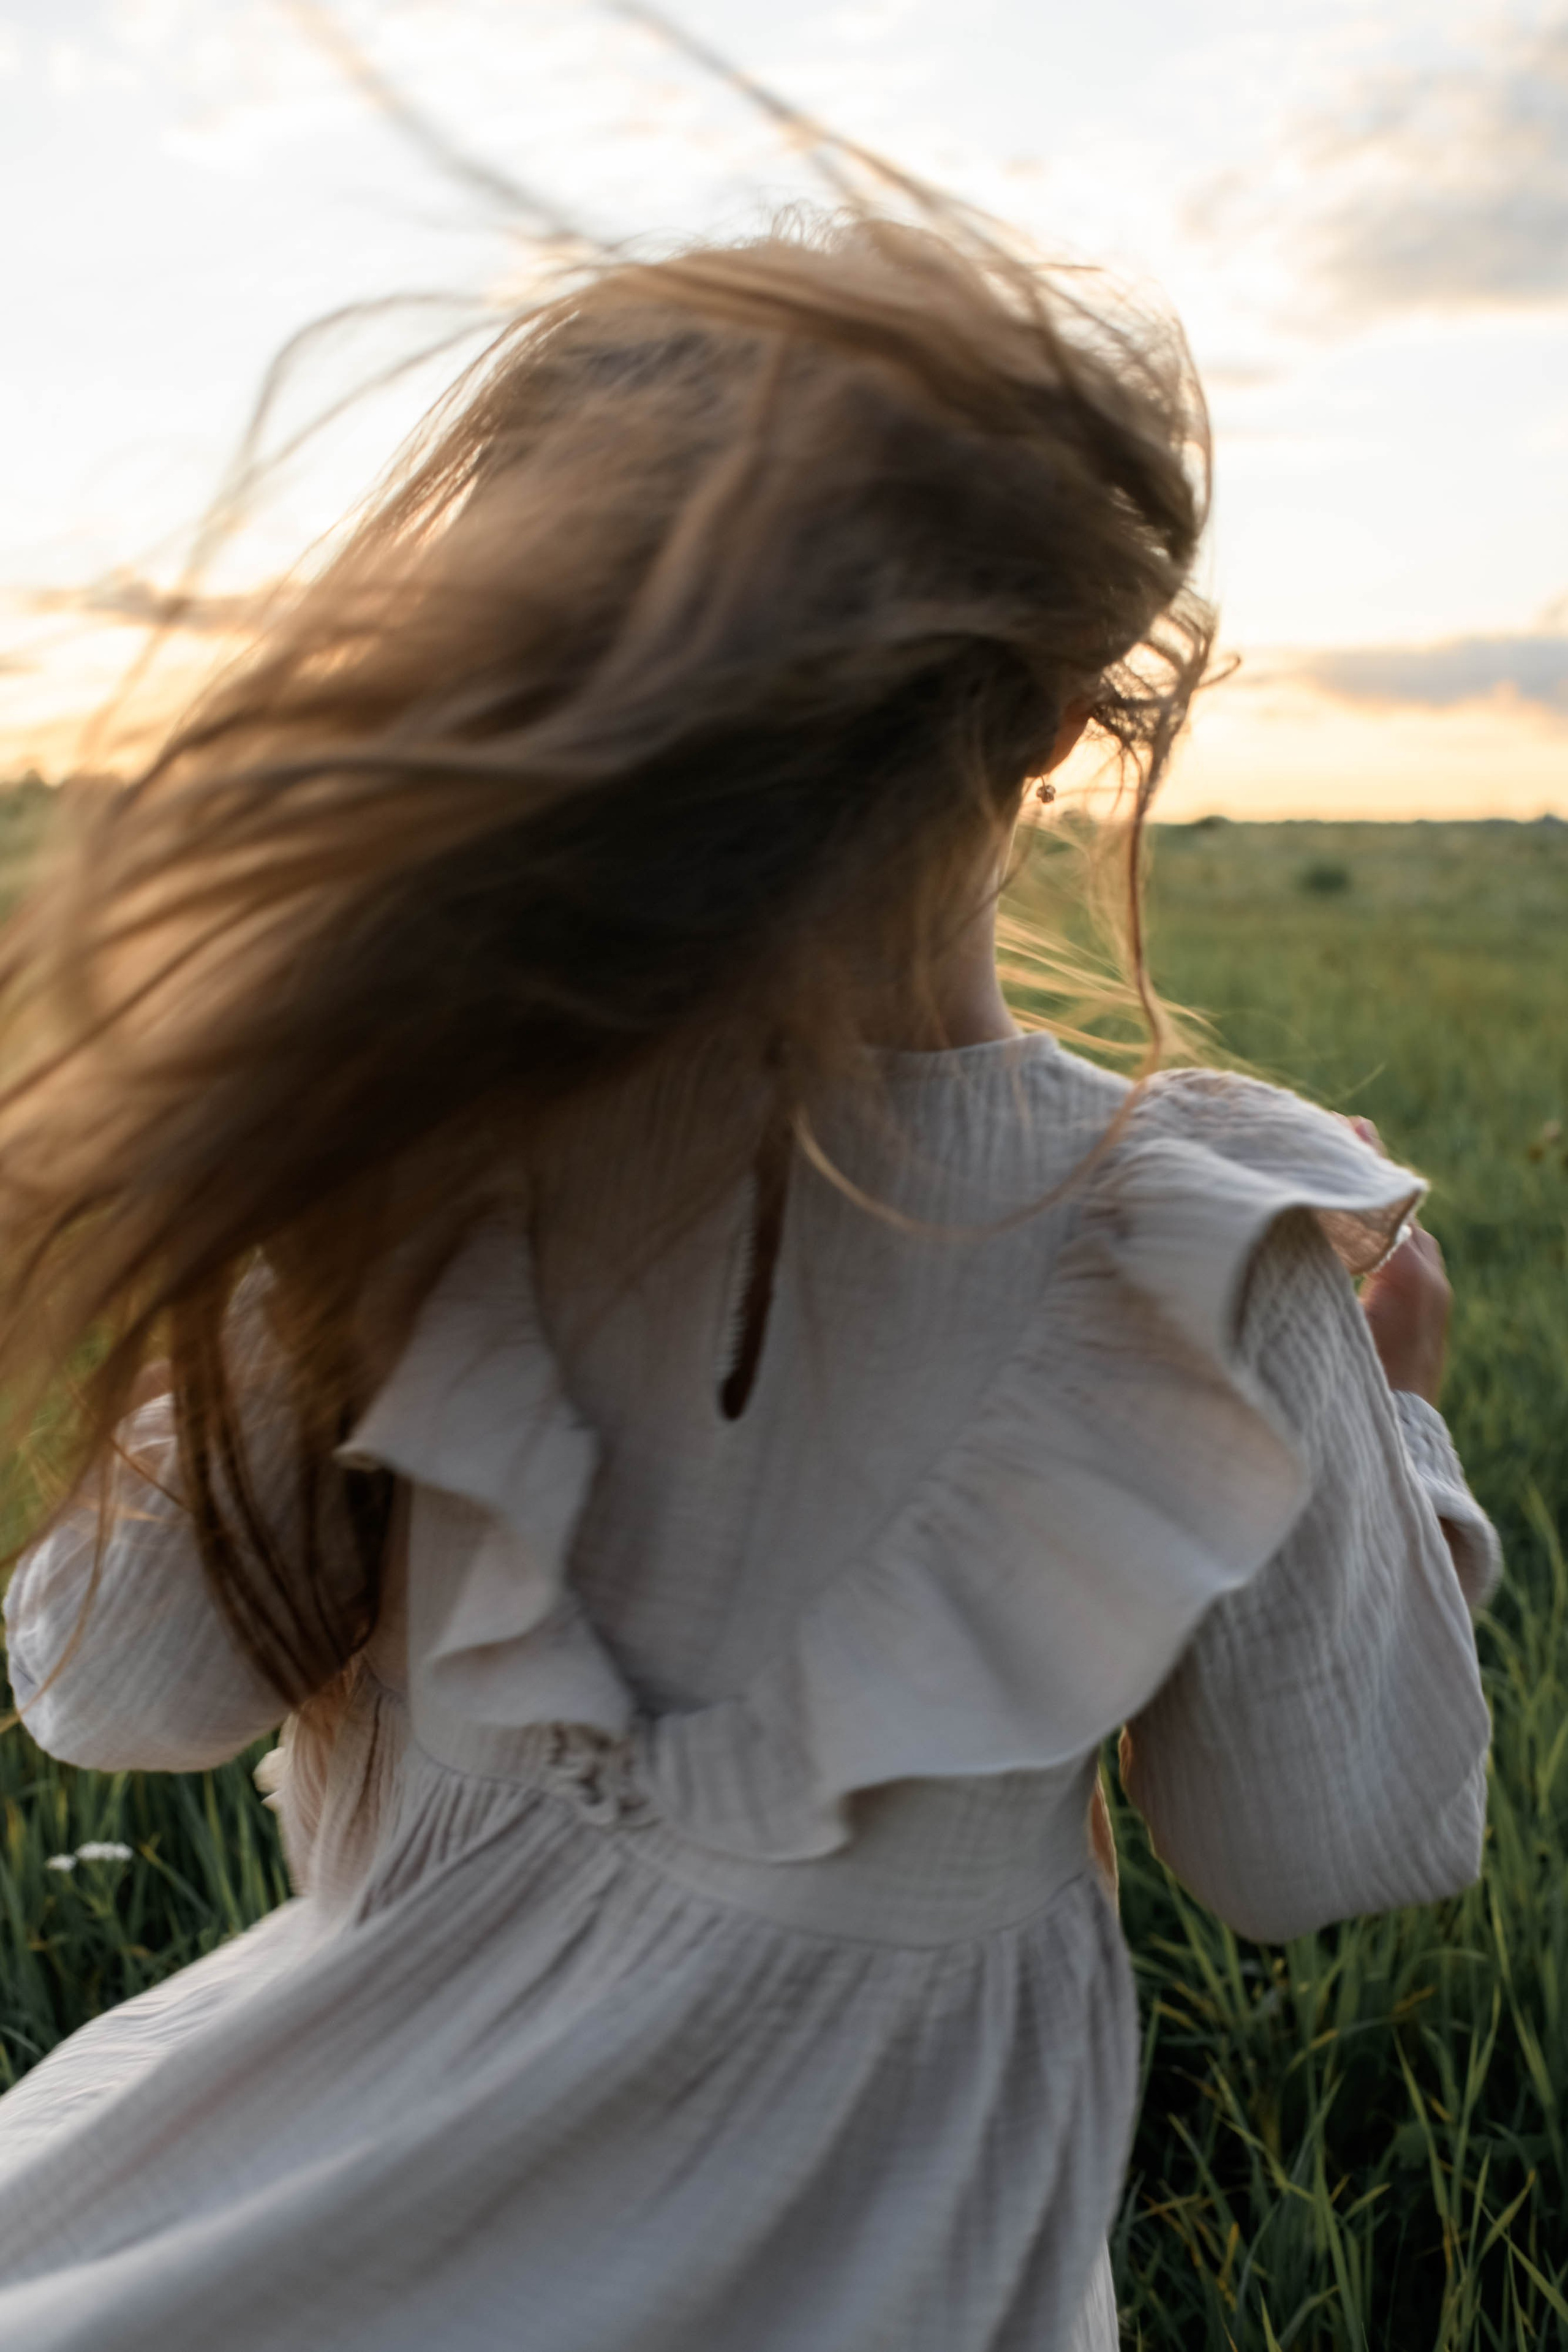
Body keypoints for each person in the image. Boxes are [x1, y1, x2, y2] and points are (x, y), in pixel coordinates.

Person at [0, 215, 1497, 2351]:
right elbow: (1319, 1842)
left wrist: (265, 1276)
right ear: (1072, 713)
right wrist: (1396, 1421)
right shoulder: (1199, 1242)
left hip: (298, 2248)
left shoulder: (412, 1170)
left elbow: (112, 1689)